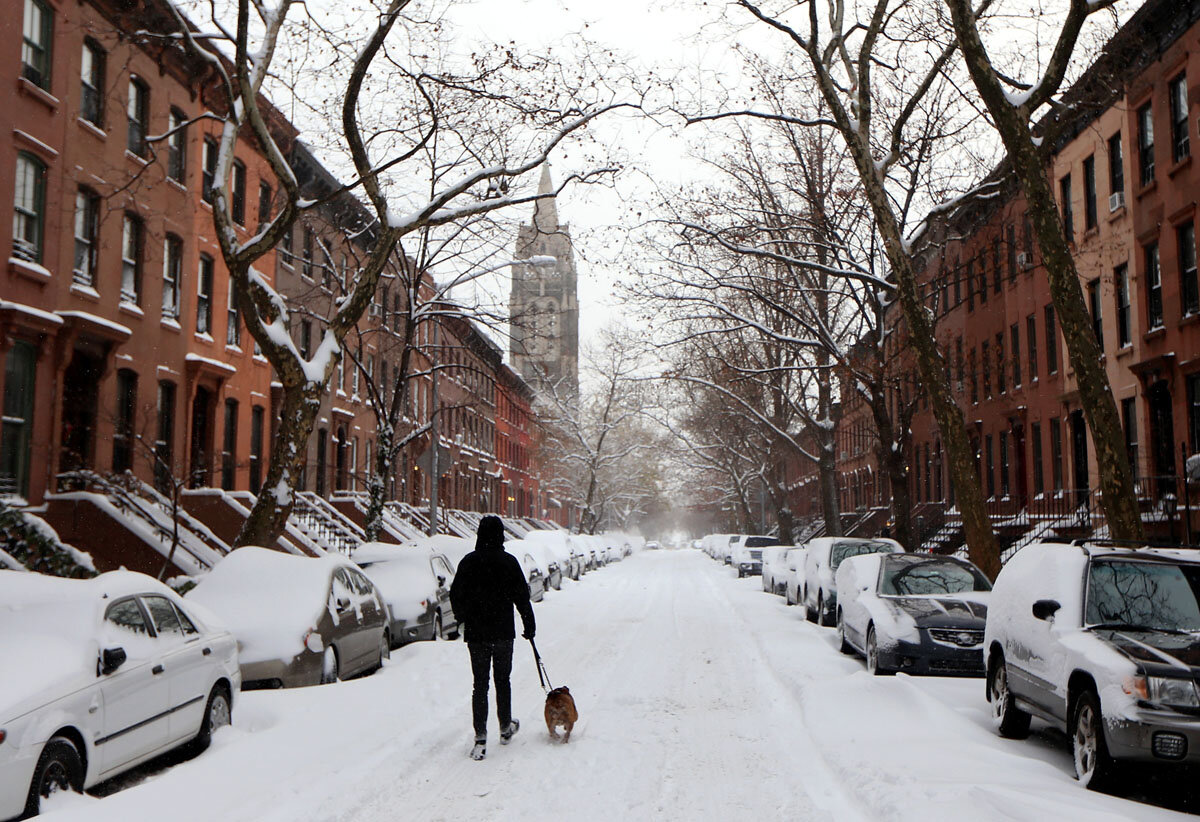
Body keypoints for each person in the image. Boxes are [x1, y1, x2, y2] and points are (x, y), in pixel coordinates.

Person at [448, 515, 535, 761]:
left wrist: (463, 617)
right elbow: (522, 597)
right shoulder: (509, 562)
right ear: (500, 535)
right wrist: (529, 626)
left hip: (477, 634)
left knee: (480, 685)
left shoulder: (469, 562)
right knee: (502, 680)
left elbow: (455, 594)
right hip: (503, 632)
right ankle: (505, 727)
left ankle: (481, 736)